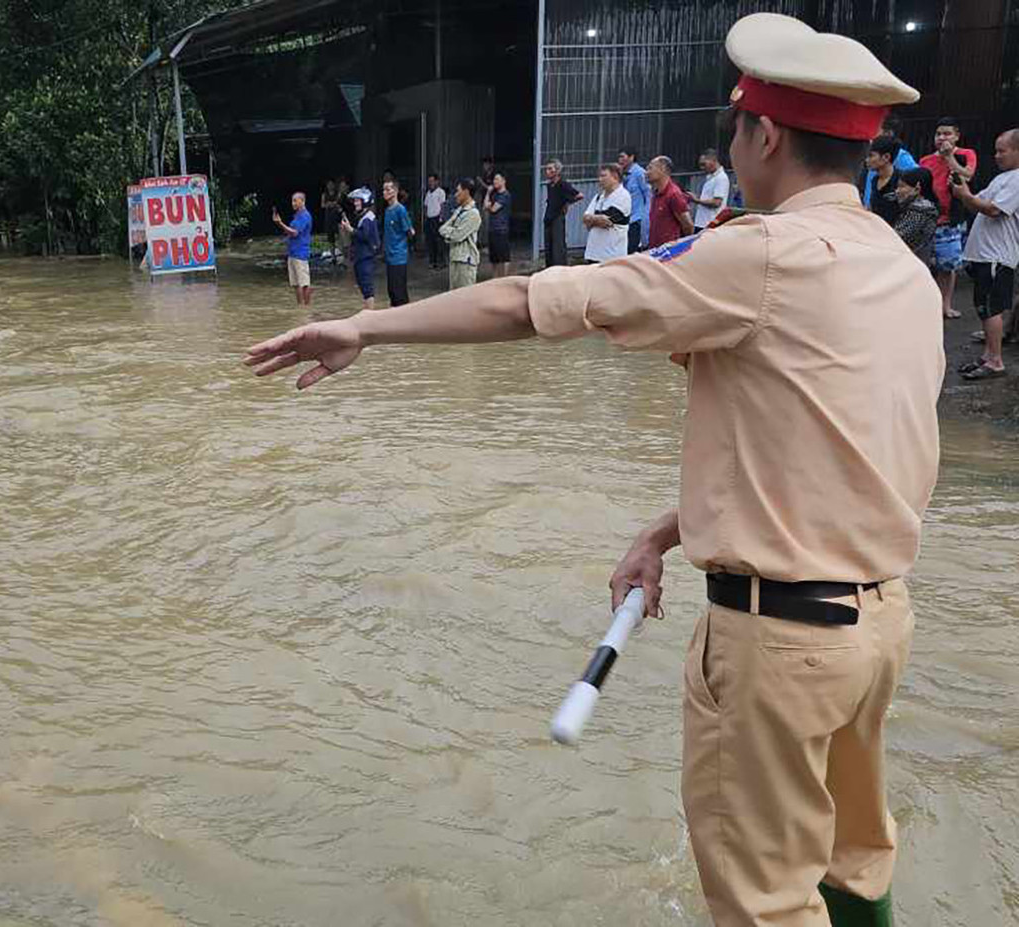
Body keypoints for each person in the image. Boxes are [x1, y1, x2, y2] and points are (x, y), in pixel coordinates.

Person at [243, 13, 938, 927]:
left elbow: (529, 303)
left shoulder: (758, 252)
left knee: (764, 903)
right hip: (878, 627)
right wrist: (666, 528)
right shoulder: (905, 272)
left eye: (734, 128)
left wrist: (364, 327)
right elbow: (830, 452)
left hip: (780, 646)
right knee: (855, 860)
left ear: (764, 134)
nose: (728, 143)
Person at [950, 129, 1019, 381]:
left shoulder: (1017, 180)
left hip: (997, 255)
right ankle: (988, 355)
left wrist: (965, 195)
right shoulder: (1003, 178)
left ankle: (996, 360)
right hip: (985, 254)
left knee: (991, 308)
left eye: (1003, 150)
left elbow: (993, 210)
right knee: (983, 307)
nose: (997, 155)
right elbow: (976, 201)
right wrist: (963, 189)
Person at [920, 118, 977, 319]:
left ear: (956, 136)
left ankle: (946, 305)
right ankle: (927, 304)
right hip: (928, 218)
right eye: (938, 134)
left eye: (947, 134)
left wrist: (949, 158)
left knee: (948, 266)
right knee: (925, 265)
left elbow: (967, 176)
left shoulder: (965, 154)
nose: (942, 138)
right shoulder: (926, 160)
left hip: (950, 220)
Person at [859, 117, 918, 209]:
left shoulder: (902, 158)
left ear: (887, 133)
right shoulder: (874, 171)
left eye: (875, 130)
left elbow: (916, 182)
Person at [581, 163, 631, 263]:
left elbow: (607, 221)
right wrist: (595, 219)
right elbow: (584, 218)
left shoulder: (623, 196)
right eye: (599, 176)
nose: (600, 179)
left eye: (603, 176)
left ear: (615, 177)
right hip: (593, 254)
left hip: (612, 256)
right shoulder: (599, 196)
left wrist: (592, 219)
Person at [338, 187, 379, 310]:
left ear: (365, 201)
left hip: (366, 257)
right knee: (364, 287)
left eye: (357, 201)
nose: (355, 203)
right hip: (361, 257)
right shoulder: (364, 216)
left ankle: (369, 316)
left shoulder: (368, 217)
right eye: (355, 201)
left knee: (367, 289)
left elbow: (364, 235)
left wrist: (350, 230)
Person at [438, 178, 481, 290]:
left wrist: (449, 234)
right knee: (453, 296)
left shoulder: (473, 214)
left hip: (466, 262)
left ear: (466, 192)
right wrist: (450, 233)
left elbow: (458, 235)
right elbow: (443, 228)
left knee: (465, 298)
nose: (456, 195)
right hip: (455, 257)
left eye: (458, 191)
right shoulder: (460, 210)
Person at [891, 166, 940, 266]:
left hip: (911, 266)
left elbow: (897, 237)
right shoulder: (920, 209)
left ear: (917, 188)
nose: (897, 191)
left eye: (902, 186)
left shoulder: (919, 213)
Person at [272, 192, 313, 306]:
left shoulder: (305, 216)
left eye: (295, 201)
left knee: (304, 283)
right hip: (293, 252)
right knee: (296, 284)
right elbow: (290, 231)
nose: (293, 203)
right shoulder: (297, 216)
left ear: (303, 201)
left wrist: (280, 223)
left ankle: (306, 308)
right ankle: (300, 307)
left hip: (301, 253)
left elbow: (295, 233)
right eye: (292, 201)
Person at [646, 155, 694, 248]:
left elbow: (688, 226)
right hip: (655, 249)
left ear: (663, 169)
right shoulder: (656, 193)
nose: (647, 172)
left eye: (650, 168)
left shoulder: (673, 194)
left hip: (668, 252)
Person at [542, 160, 583, 268]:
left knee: (558, 247)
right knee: (549, 246)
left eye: (551, 168)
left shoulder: (563, 184)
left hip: (557, 218)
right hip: (548, 217)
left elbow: (579, 195)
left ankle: (560, 269)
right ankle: (549, 269)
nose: (548, 171)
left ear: (557, 170)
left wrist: (567, 203)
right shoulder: (549, 185)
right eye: (547, 169)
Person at [381, 180, 413, 306]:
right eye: (384, 190)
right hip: (389, 256)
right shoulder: (387, 210)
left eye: (388, 189)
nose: (385, 192)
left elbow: (409, 231)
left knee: (399, 292)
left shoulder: (401, 210)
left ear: (395, 191)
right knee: (392, 291)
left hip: (399, 256)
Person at [617, 145, 651, 251]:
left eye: (623, 157)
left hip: (636, 219)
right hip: (624, 218)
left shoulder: (639, 173)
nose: (620, 160)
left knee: (632, 250)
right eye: (619, 157)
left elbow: (649, 195)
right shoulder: (621, 173)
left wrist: (646, 217)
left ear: (631, 157)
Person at [864, 135, 903, 225]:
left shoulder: (901, 180)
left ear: (886, 157)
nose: (867, 160)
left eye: (871, 156)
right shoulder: (874, 180)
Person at [689, 149, 730, 232]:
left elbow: (717, 202)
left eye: (704, 164)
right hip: (702, 223)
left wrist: (696, 200)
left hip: (710, 224)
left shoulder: (721, 178)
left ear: (713, 161)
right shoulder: (711, 177)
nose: (702, 168)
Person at [484, 172, 513, 278]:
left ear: (503, 181)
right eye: (494, 180)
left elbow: (493, 208)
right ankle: (495, 278)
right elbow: (485, 206)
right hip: (492, 228)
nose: (494, 182)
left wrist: (489, 205)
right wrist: (488, 193)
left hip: (501, 229)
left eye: (497, 179)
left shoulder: (505, 195)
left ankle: (505, 278)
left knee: (504, 257)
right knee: (494, 257)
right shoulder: (494, 194)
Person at [423, 174, 447, 269]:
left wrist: (441, 218)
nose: (430, 183)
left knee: (439, 241)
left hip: (437, 219)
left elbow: (443, 206)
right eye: (429, 181)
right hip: (430, 219)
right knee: (430, 241)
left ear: (437, 181)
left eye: (432, 181)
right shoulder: (428, 193)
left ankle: (441, 262)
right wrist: (425, 217)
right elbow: (425, 206)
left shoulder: (441, 192)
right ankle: (432, 261)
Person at [321, 180, 340, 259]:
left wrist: (333, 204)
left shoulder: (337, 194)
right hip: (328, 217)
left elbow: (339, 202)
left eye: (332, 184)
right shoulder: (324, 195)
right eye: (329, 184)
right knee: (330, 237)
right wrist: (328, 204)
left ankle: (340, 251)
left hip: (337, 216)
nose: (330, 186)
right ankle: (333, 256)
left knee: (339, 235)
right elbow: (322, 205)